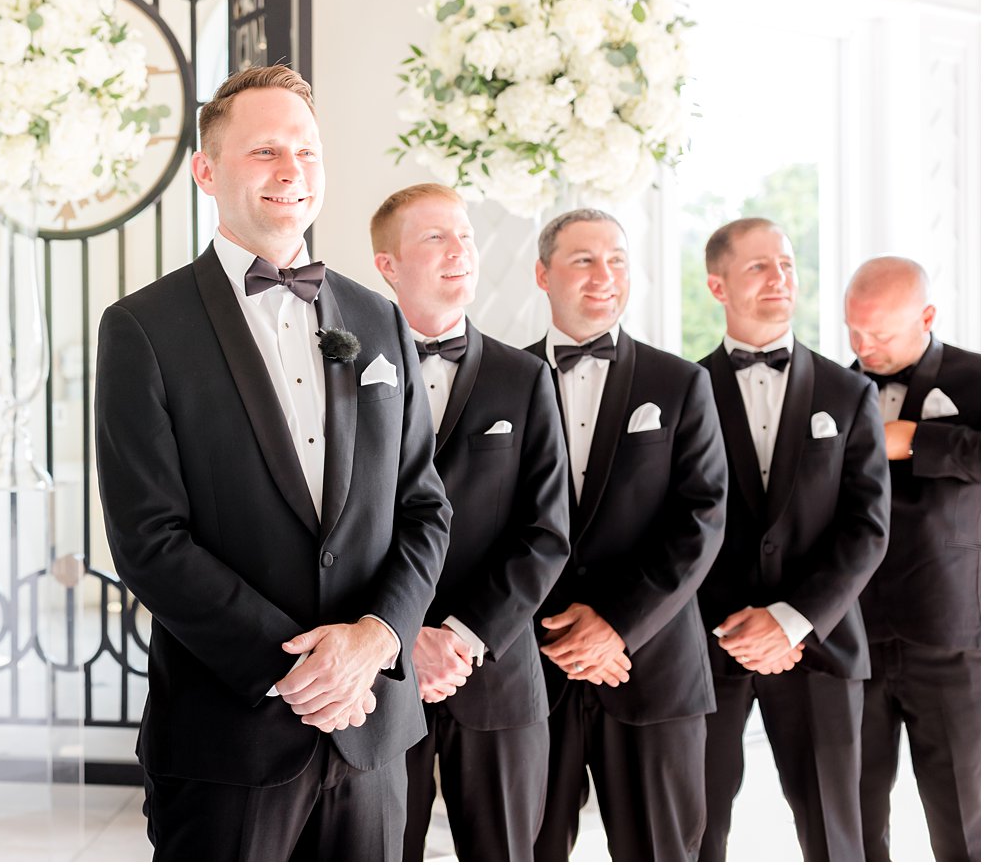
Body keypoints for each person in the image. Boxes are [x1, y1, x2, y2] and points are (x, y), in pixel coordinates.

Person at [94, 65, 451, 861]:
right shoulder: (142, 328)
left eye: (307, 151)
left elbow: (425, 506)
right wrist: (296, 669)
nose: (292, 170)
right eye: (264, 152)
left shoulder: (378, 319)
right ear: (206, 171)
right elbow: (149, 538)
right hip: (231, 734)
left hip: (372, 730)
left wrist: (375, 638)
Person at [369, 184, 569, 862]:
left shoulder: (525, 377)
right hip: (379, 672)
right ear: (387, 263)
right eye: (435, 237)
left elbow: (545, 533)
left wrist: (459, 636)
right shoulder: (343, 372)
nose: (459, 250)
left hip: (496, 670)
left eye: (465, 236)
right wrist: (404, 636)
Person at [526, 208, 728, 862]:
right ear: (543, 273)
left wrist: (615, 623)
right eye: (583, 259)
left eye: (616, 259)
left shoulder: (681, 382)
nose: (603, 275)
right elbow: (481, 522)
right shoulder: (503, 378)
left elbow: (700, 518)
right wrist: (549, 630)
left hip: (654, 667)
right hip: (534, 672)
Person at [695, 217, 889, 862]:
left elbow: (866, 527)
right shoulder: (682, 390)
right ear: (718, 286)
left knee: (837, 836)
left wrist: (791, 620)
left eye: (786, 263)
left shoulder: (850, 391)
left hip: (820, 644)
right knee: (695, 832)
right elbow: (671, 524)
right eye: (758, 267)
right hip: (704, 649)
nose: (779, 278)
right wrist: (727, 624)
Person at [845, 256, 980, 862]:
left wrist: (917, 440)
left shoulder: (974, 377)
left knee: (960, 818)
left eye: (880, 334)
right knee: (852, 814)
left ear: (926, 316)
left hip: (946, 632)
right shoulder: (836, 389)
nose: (863, 347)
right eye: (854, 331)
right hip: (852, 637)